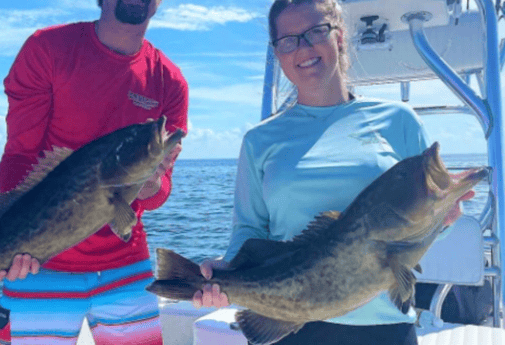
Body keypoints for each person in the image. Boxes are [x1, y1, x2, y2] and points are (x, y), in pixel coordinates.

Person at [192, 0, 473, 344]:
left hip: (384, 330)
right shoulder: (258, 140)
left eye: (315, 32)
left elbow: (421, 226)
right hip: (287, 327)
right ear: (277, 54)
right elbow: (249, 230)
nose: (303, 48)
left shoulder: (400, 121)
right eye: (288, 40)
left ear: (339, 37)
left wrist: (445, 219)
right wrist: (226, 273)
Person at [0, 0, 188, 344]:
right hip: (39, 265)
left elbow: (157, 195)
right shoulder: (47, 49)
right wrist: (5, 242)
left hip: (126, 266)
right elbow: (21, 157)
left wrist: (151, 185)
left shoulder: (170, 82)